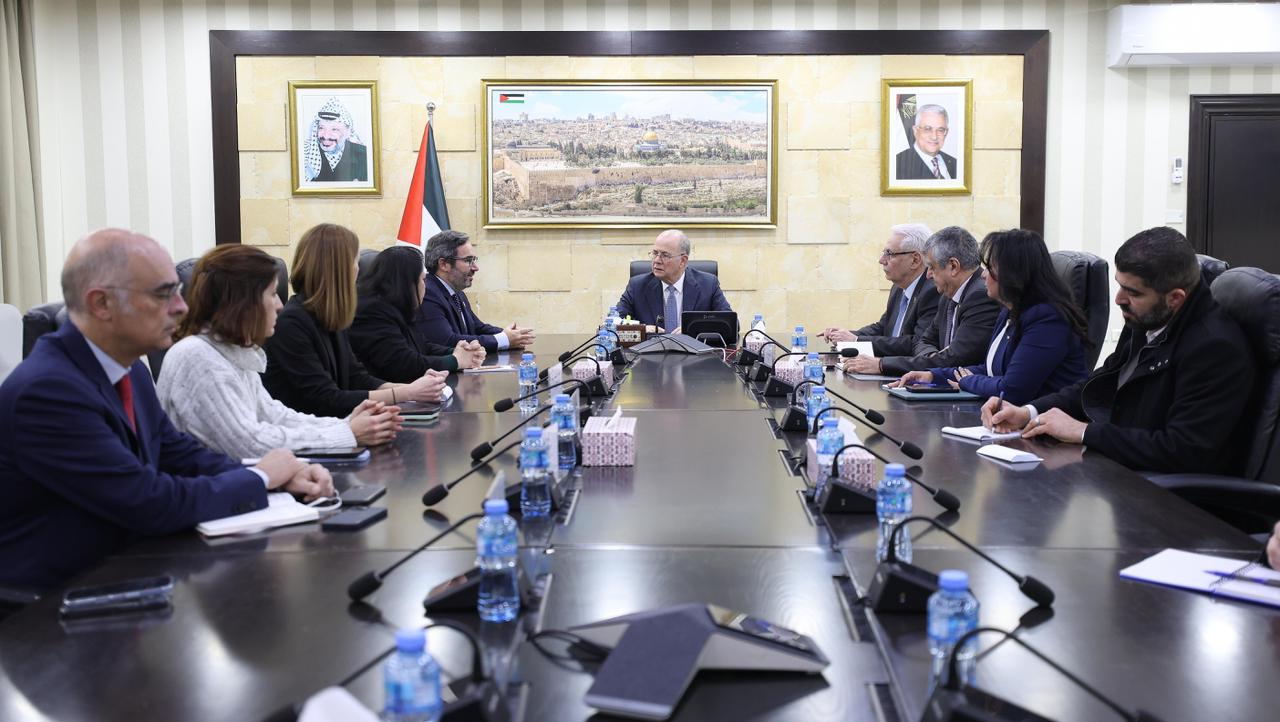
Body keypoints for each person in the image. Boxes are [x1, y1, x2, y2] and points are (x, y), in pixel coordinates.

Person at [0, 229, 334, 590]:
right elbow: (147, 501)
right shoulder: (48, 392)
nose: (181, 307)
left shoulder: (131, 371)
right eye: (163, 294)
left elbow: (181, 455)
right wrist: (260, 478)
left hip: (128, 571)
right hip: (56, 601)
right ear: (101, 304)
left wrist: (280, 478)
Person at [983, 226, 1257, 475]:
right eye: (1120, 285)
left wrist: (1085, 432)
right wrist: (1028, 412)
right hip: (1121, 470)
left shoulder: (1214, 348)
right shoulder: (1147, 319)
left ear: (1175, 298)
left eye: (1133, 293)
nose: (1118, 299)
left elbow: (1183, 450)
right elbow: (1097, 385)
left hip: (1170, 499)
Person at [158, 245, 404, 459]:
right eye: (273, 294)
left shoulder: (233, 352)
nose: (279, 305)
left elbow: (276, 416)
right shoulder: (198, 357)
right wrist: (347, 433)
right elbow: (249, 444)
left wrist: (347, 423)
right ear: (243, 303)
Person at [263, 223, 448, 418]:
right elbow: (324, 399)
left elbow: (355, 377)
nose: (358, 269)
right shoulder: (292, 322)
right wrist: (406, 393)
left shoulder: (330, 315)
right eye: (355, 261)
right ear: (339, 268)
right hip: (311, 430)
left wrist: (414, 389)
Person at [891, 229, 1090, 405]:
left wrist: (967, 381)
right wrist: (932, 376)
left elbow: (1012, 389)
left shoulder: (1047, 319)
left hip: (1045, 426)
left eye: (990, 268)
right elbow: (990, 370)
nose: (983, 275)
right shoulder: (1009, 311)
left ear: (1013, 273)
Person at [844, 226, 1000, 376]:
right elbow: (924, 341)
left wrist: (881, 364)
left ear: (953, 266)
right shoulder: (948, 293)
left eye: (932, 267)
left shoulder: (980, 296)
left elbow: (955, 359)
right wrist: (931, 357)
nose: (928, 275)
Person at [351, 245, 486, 383]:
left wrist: (456, 351)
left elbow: (422, 345)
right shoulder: (372, 312)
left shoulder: (396, 308)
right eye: (423, 279)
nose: (425, 286)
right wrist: (455, 360)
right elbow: (405, 364)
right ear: (406, 283)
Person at [819, 223, 941, 357]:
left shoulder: (933, 291)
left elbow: (915, 343)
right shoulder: (899, 287)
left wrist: (856, 340)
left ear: (915, 260)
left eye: (889, 254)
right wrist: (847, 335)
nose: (881, 260)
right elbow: (883, 327)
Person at [415, 229, 534, 353]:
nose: (475, 268)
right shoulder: (427, 293)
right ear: (444, 264)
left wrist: (512, 335)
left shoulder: (456, 292)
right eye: (468, 260)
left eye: (474, 260)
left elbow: (477, 328)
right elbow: (447, 341)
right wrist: (504, 339)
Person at [615, 229, 732, 331]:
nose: (657, 260)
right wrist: (642, 329)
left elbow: (730, 324)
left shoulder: (708, 284)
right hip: (651, 349)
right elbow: (615, 321)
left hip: (693, 349)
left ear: (683, 261)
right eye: (655, 253)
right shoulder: (637, 286)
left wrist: (693, 329)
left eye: (665, 255)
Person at [304, 97, 368, 182]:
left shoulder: (365, 155)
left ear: (348, 132)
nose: (326, 136)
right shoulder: (306, 154)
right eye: (321, 128)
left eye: (334, 129)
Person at [895, 104, 958, 181]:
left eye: (940, 130)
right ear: (915, 131)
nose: (934, 137)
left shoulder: (955, 164)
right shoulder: (897, 165)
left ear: (946, 132)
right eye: (927, 129)